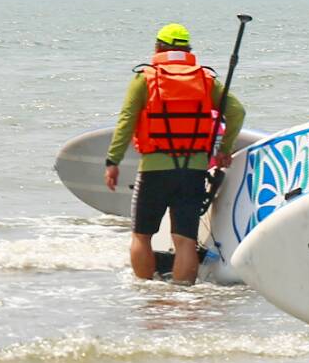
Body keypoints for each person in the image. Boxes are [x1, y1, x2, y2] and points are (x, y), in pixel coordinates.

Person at [104, 23, 246, 284]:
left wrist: (113, 161)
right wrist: (224, 150)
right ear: (188, 50)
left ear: (158, 47)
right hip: (193, 170)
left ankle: (146, 294)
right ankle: (183, 297)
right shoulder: (206, 80)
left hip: (154, 170)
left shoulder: (145, 79)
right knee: (185, 240)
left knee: (142, 235)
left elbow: (126, 121)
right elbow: (237, 112)